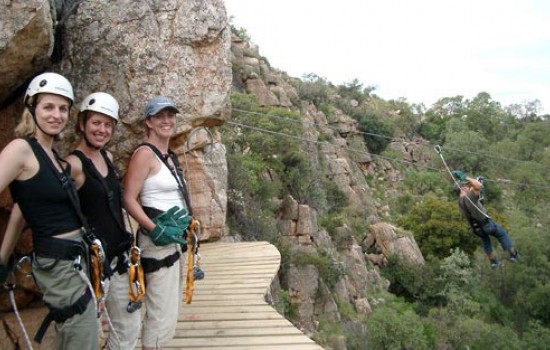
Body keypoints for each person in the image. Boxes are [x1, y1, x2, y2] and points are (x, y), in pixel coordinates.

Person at [0, 72, 99, 348]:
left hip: (73, 259)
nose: (56, 115)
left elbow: (22, 207)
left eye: (63, 108)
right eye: (48, 107)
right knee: (82, 333)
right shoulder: (21, 150)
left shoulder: (52, 156)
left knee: (78, 333)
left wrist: (3, 257)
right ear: (32, 109)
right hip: (58, 263)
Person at [65, 92, 140, 349]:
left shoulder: (107, 158)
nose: (102, 129)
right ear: (82, 124)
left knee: (128, 328)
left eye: (108, 125)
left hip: (119, 257)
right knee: (89, 331)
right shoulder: (73, 165)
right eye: (96, 123)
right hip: (94, 264)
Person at [124, 96, 191, 349]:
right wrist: (155, 229)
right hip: (157, 240)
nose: (166, 121)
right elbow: (128, 198)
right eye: (160, 116)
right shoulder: (144, 154)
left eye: (170, 115)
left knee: (169, 311)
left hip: (173, 241)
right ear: (149, 122)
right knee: (159, 312)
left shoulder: (169, 157)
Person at [452, 170, 520, 268]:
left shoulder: (460, 202)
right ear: (462, 188)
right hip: (487, 224)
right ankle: (514, 255)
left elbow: (476, 192)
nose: (468, 187)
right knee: (502, 234)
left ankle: (494, 262)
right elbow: (478, 187)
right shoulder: (469, 197)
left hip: (476, 229)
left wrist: (477, 181)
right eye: (466, 186)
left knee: (486, 242)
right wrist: (466, 177)